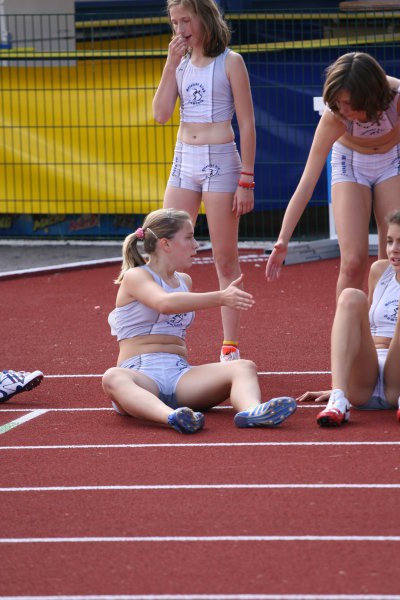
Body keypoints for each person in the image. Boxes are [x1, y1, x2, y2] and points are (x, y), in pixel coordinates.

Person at [102, 208, 296, 433]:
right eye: (189, 237)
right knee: (112, 377)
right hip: (140, 375)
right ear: (165, 244)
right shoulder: (136, 276)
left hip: (181, 375)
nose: (196, 245)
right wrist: (221, 297)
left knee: (243, 367)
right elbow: (164, 302)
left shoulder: (184, 281)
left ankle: (253, 411)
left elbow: (174, 300)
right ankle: (172, 417)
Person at [152, 0, 256, 362]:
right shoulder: (178, 63)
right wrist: (169, 65)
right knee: (161, 244)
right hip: (184, 160)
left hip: (221, 162)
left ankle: (230, 346)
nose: (180, 28)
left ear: (204, 17)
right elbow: (162, 114)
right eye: (174, 22)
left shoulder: (231, 62)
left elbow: (247, 124)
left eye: (185, 20)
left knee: (225, 258)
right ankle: (160, 340)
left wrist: (247, 179)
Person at [266, 52, 400, 300]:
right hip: (351, 163)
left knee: (393, 259)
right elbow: (307, 183)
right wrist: (283, 239)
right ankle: (347, 333)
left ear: (369, 98)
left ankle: (385, 331)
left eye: (349, 103)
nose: (342, 109)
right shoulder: (335, 116)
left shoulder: (396, 98)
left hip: (393, 160)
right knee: (353, 262)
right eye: (338, 102)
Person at [298, 210, 400, 427]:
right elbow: (366, 327)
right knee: (350, 296)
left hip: (397, 381)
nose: (394, 250)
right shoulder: (381, 271)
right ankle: (338, 397)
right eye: (390, 241)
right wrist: (343, 380)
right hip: (364, 381)